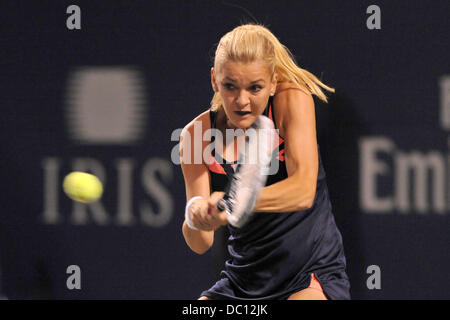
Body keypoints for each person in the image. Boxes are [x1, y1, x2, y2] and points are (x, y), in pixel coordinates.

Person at [180, 23, 350, 300]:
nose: (242, 101)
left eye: (255, 88)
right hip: (242, 279)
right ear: (214, 80)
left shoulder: (292, 98)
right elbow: (200, 243)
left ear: (273, 82)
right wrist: (196, 216)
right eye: (230, 86)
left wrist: (233, 203)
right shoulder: (194, 136)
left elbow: (303, 191)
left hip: (309, 272)